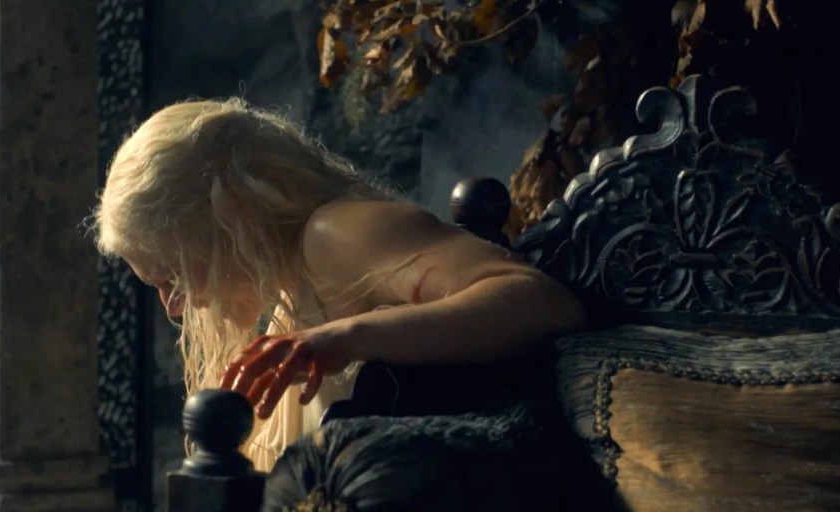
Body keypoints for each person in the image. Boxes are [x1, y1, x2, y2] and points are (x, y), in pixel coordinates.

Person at [90, 98, 587, 471]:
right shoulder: (290, 292)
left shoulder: (332, 236)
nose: (173, 308)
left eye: (173, 275)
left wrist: (346, 337)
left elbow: (543, 305)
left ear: (224, 221)